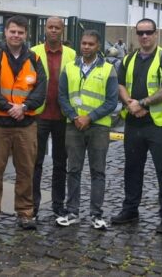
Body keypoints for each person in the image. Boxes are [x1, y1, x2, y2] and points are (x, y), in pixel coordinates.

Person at [112, 18, 162, 234]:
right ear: (136, 34)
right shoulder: (128, 59)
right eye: (140, 33)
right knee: (132, 169)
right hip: (134, 123)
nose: (144, 36)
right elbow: (120, 84)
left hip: (159, 125)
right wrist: (130, 104)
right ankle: (130, 210)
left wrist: (142, 103)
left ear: (156, 33)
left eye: (148, 32)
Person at [0, 15, 47, 230]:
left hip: (26, 125)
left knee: (26, 171)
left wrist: (24, 107)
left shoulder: (35, 60)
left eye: (20, 32)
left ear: (26, 34)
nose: (16, 35)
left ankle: (25, 213)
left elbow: (41, 91)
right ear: (6, 32)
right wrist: (10, 108)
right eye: (13, 31)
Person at [56, 30, 118, 229]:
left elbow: (112, 101)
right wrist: (75, 117)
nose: (86, 47)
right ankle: (72, 211)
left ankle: (96, 214)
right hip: (74, 125)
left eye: (91, 44)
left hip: (98, 127)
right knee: (73, 170)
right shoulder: (69, 68)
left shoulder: (109, 69)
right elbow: (62, 97)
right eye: (83, 43)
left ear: (98, 46)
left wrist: (89, 117)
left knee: (97, 171)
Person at [30, 17, 76, 219]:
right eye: (51, 27)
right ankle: (33, 205)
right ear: (45, 29)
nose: (54, 31)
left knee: (60, 163)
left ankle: (58, 204)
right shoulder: (33, 52)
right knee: (35, 163)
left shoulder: (72, 54)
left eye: (58, 27)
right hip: (39, 115)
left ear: (62, 30)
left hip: (63, 117)